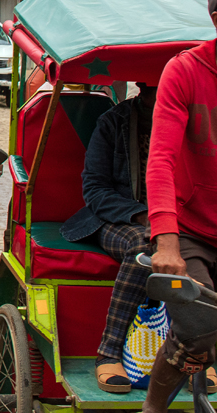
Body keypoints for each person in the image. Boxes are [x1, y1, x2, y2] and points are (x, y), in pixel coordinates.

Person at [60, 84, 212, 393]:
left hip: (180, 222)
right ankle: (109, 351)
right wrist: (145, 216)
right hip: (118, 219)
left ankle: (197, 355)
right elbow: (95, 190)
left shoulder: (194, 124)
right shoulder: (113, 123)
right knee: (145, 245)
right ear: (143, 90)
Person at [142, 0, 217, 413]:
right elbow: (161, 161)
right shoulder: (186, 70)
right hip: (191, 229)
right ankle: (152, 409)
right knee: (199, 328)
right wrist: (166, 242)